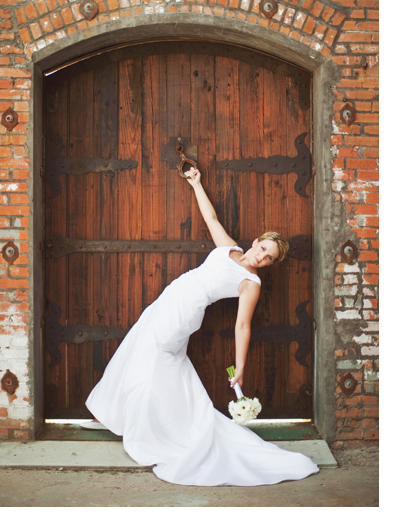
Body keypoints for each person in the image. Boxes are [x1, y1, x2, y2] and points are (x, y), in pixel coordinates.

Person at [84, 166, 319, 486]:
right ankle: (115, 414)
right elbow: (211, 219)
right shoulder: (232, 248)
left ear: (269, 265)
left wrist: (240, 367)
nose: (261, 257)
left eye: (268, 258)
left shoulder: (251, 283)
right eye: (263, 248)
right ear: (256, 241)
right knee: (137, 348)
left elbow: (242, 326)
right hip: (171, 298)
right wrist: (196, 183)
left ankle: (140, 425)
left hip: (184, 310)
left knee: (151, 360)